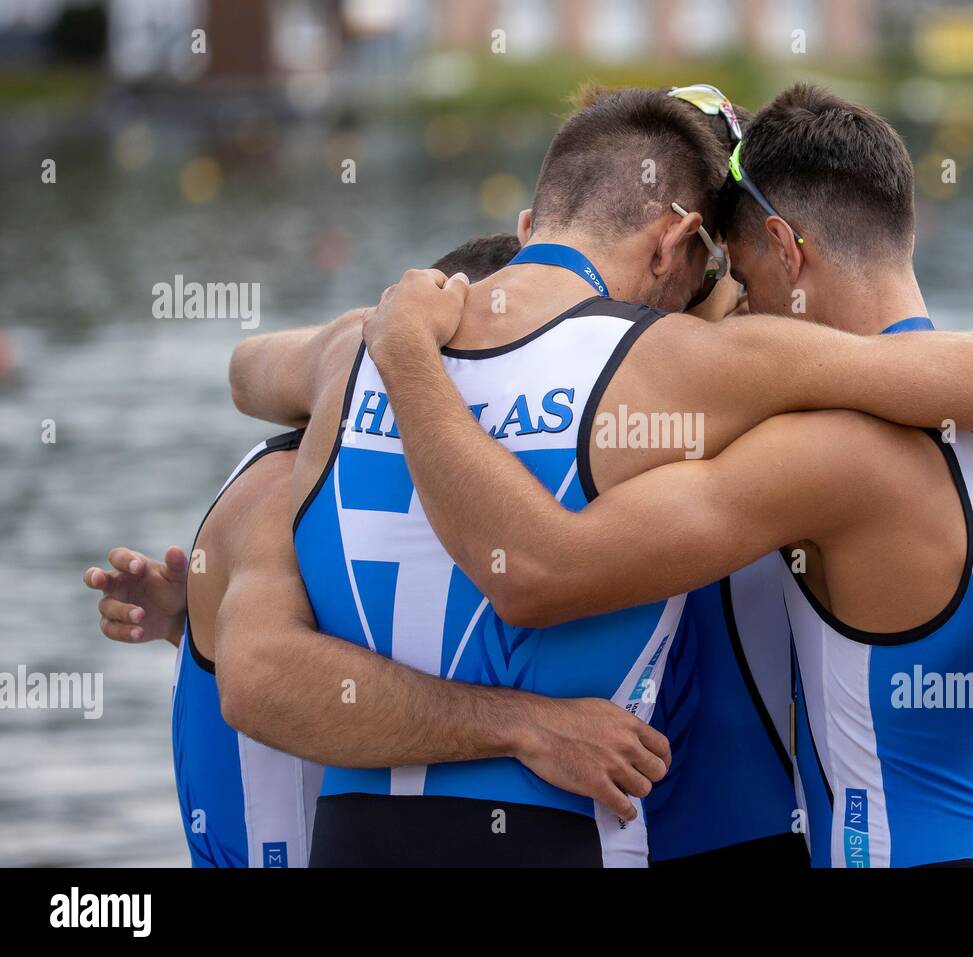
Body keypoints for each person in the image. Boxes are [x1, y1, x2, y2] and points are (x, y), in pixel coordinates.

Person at [226, 85, 973, 866]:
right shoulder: (709, 371)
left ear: (533, 224)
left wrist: (403, 346)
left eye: (736, 272)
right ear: (677, 240)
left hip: (362, 842)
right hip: (640, 833)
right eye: (708, 265)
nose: (718, 293)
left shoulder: (357, 348)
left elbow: (246, 372)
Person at [84, 236, 676, 867]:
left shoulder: (438, 495)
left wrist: (196, 615)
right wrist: (529, 728)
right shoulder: (286, 486)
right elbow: (258, 679)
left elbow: (248, 369)